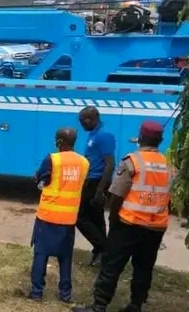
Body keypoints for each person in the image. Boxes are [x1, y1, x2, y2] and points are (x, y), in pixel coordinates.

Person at [73, 122, 172, 312]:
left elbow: (117, 195)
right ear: (160, 141)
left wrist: (113, 221)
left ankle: (99, 306)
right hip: (156, 227)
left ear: (140, 138)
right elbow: (167, 197)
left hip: (129, 224)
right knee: (144, 268)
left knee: (111, 266)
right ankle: (135, 305)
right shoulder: (167, 164)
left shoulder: (132, 161)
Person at [29, 127, 89, 303]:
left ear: (59, 141)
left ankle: (36, 292)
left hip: (48, 216)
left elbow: (40, 178)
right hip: (69, 218)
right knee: (65, 257)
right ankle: (65, 294)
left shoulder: (52, 159)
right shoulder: (84, 162)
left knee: (41, 254)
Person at [78, 106, 116, 267]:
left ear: (91, 119)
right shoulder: (93, 134)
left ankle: (104, 248)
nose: (81, 125)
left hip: (96, 182)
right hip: (90, 180)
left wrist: (100, 190)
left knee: (79, 217)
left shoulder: (104, 135)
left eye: (82, 121)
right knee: (97, 219)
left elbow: (110, 164)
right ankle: (100, 253)